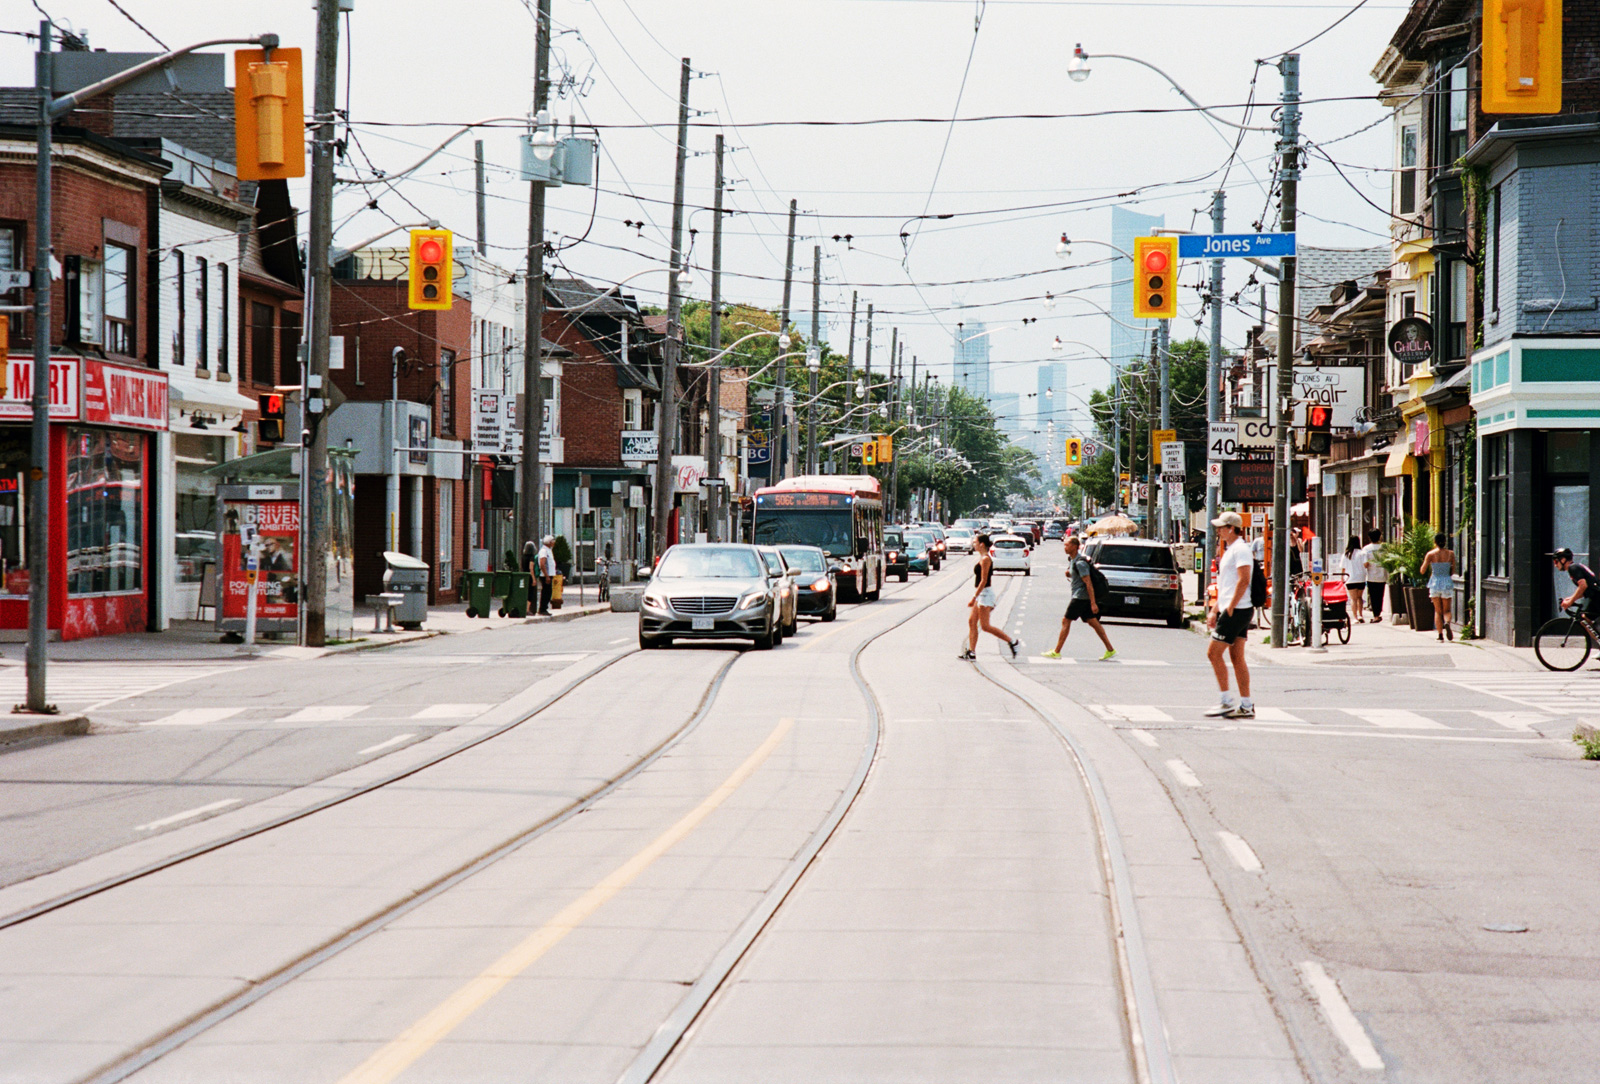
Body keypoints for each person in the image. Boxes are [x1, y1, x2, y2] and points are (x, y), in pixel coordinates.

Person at [1205, 511, 1254, 719]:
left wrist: (1230, 607)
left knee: (1213, 653)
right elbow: (1226, 585)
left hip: (1237, 609)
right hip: (1235, 608)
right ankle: (1246, 704)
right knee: (1236, 657)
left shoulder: (1240, 549)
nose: (1218, 530)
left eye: (1221, 527)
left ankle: (1226, 701)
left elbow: (1243, 580)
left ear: (1231, 528)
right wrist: (1215, 608)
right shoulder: (1231, 549)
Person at [1041, 535, 1116, 661]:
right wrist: (1069, 573)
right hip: (1082, 597)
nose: (1065, 547)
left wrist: (1093, 603)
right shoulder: (1073, 560)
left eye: (1067, 545)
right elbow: (1076, 573)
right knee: (1093, 622)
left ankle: (1056, 651)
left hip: (1080, 597)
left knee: (1066, 621)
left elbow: (1088, 583)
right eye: (1065, 545)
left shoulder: (1080, 562)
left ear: (1075, 547)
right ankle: (1110, 649)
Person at [961, 534, 1020, 660]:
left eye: (975, 542)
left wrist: (974, 597)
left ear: (982, 544)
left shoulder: (986, 559)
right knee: (972, 622)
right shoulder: (982, 557)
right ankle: (971, 651)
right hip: (982, 594)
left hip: (985, 594)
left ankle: (1012, 642)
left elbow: (984, 580)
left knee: (985, 626)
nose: (973, 544)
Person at [1423, 532, 1457, 641]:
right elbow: (1453, 570)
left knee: (1438, 611)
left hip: (1435, 582)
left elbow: (1422, 570)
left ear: (1435, 542)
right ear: (1445, 542)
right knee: (1446, 610)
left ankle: (1440, 635)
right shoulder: (1450, 554)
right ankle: (1447, 622)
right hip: (1446, 581)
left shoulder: (1431, 554)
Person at [1553, 548, 1596, 618]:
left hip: (1596, 597)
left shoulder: (1572, 568)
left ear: (1563, 560)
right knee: (1585, 619)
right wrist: (1570, 598)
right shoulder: (1575, 567)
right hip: (1595, 596)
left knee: (1584, 619)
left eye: (1556, 562)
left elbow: (1583, 586)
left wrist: (1570, 602)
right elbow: (1586, 590)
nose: (1555, 565)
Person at [1361, 528, 1387, 622]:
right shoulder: (1384, 548)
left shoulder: (1366, 549)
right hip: (1382, 575)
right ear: (1380, 536)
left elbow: (1365, 564)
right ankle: (1378, 614)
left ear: (1369, 537)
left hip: (1371, 576)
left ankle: (1376, 615)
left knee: (1373, 596)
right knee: (1380, 596)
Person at [527, 534, 557, 615]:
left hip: (549, 574)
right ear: (549, 542)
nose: (554, 543)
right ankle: (542, 609)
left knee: (548, 592)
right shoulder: (544, 551)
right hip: (545, 575)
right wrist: (546, 576)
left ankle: (544, 608)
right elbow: (542, 564)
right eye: (553, 541)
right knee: (546, 592)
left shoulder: (549, 550)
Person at [1343, 535, 1366, 622]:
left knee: (1353, 598)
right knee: (1359, 597)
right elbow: (1366, 564)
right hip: (1361, 578)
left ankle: (1355, 617)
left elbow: (1343, 567)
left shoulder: (1346, 554)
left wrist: (1342, 577)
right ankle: (1360, 615)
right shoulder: (1362, 553)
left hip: (1350, 578)